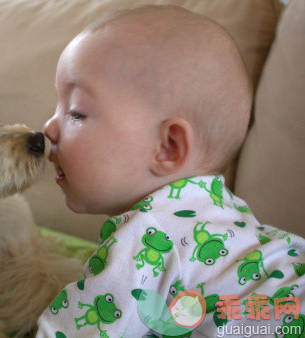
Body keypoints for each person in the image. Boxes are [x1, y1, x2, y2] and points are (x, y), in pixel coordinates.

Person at [37, 5, 304, 337]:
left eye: (76, 113)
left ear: (168, 147)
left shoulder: (151, 233)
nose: (48, 128)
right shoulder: (223, 216)